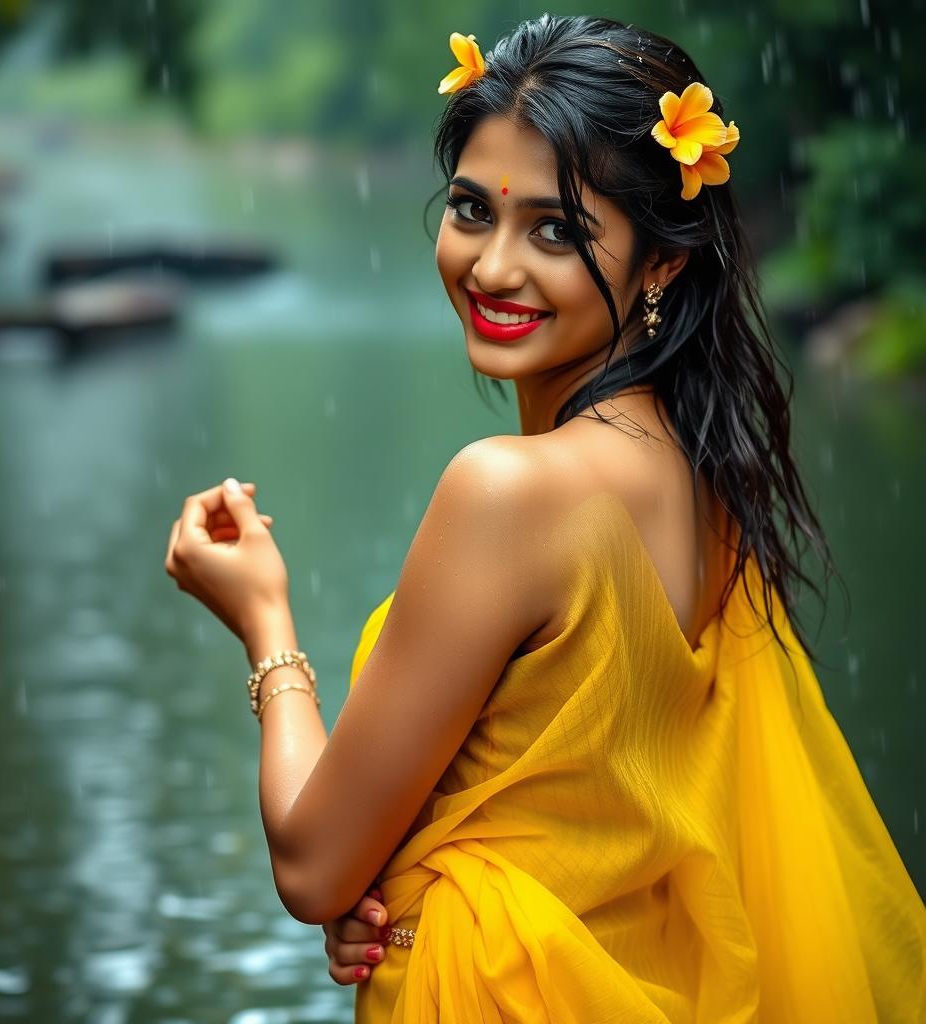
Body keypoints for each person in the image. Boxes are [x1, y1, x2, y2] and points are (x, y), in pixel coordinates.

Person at [165, 14, 926, 1022]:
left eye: (557, 231)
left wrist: (266, 621)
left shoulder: (508, 491)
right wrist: (407, 880)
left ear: (660, 264)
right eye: (472, 210)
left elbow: (311, 862)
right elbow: (600, 808)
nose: (490, 268)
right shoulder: (707, 480)